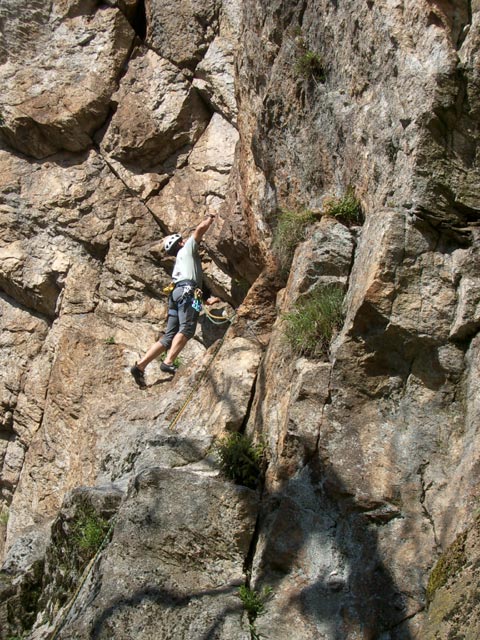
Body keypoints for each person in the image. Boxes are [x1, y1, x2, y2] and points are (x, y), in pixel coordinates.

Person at [130, 213, 220, 388]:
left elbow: (192, 285)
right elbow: (199, 231)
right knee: (187, 328)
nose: (186, 240)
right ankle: (168, 362)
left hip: (176, 294)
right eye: (183, 240)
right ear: (180, 243)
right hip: (188, 291)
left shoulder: (181, 262)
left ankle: (140, 366)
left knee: (169, 336)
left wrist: (205, 300)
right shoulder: (187, 250)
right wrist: (210, 218)